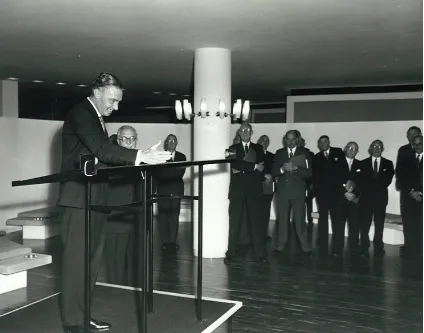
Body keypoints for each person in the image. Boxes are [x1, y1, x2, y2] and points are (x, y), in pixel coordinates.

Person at [57, 72, 171, 333]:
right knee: (77, 264)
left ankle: (82, 316)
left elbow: (100, 157)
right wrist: (139, 154)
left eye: (118, 102)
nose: (115, 106)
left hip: (95, 198)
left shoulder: (95, 116)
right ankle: (73, 322)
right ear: (97, 91)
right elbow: (102, 149)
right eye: (112, 100)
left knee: (91, 265)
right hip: (77, 200)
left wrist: (140, 156)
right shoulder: (81, 112)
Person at [225, 123, 267, 263]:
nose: (245, 132)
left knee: (256, 222)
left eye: (247, 130)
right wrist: (253, 166)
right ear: (239, 132)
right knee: (235, 222)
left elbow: (262, 168)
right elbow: (233, 165)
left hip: (254, 189)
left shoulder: (258, 148)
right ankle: (230, 254)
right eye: (243, 130)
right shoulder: (231, 149)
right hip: (237, 190)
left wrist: (243, 168)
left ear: (252, 132)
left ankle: (260, 254)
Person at [272, 130, 313, 257]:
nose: (290, 142)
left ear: (297, 140)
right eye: (288, 139)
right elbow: (273, 172)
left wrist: (297, 168)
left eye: (293, 139)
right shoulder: (279, 153)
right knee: (282, 221)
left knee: (300, 221)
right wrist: (281, 169)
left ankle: (306, 248)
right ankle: (280, 246)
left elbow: (309, 173)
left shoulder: (304, 153)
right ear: (285, 140)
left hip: (298, 193)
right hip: (282, 193)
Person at [359, 140, 394, 258]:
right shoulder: (362, 163)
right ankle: (364, 246)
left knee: (379, 223)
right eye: (374, 146)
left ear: (383, 149)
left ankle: (379, 247)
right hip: (366, 198)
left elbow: (387, 181)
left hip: (380, 198)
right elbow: (361, 182)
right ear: (370, 149)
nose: (377, 148)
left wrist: (371, 186)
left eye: (379, 146)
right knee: (365, 223)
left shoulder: (389, 164)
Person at [155, 134, 186, 254]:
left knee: (174, 217)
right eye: (169, 141)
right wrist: (169, 174)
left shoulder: (182, 157)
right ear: (166, 143)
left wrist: (166, 173)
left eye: (174, 140)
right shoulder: (160, 156)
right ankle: (164, 242)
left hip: (176, 190)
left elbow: (180, 173)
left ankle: (172, 242)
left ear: (177, 143)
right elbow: (158, 174)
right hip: (162, 191)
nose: (171, 142)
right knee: (163, 217)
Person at [312, 135, 344, 251]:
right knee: (323, 218)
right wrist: (316, 193)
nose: (323, 144)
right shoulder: (316, 157)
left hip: (336, 193)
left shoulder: (338, 152)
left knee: (336, 217)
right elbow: (315, 176)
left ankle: (338, 240)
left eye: (325, 141)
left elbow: (342, 171)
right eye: (321, 142)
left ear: (329, 142)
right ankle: (323, 238)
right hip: (322, 194)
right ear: (319, 145)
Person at [331, 142, 361, 258]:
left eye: (354, 149)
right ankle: (337, 250)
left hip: (354, 201)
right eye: (350, 148)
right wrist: (344, 193)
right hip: (339, 200)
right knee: (338, 226)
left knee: (354, 226)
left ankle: (353, 249)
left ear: (357, 152)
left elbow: (362, 182)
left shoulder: (360, 164)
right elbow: (333, 181)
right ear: (345, 149)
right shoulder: (335, 163)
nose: (351, 151)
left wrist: (353, 194)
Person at [395, 126, 422, 255]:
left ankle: (421, 247)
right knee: (408, 219)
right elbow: (400, 173)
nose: (412, 136)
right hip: (407, 193)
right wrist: (411, 191)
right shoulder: (404, 151)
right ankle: (409, 246)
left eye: (415, 134)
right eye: (410, 134)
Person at [257, 135, 275, 242]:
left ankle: (264, 234)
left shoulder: (272, 156)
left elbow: (275, 169)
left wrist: (271, 176)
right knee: (256, 211)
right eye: (263, 140)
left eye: (267, 140)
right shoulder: (254, 154)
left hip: (269, 186)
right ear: (259, 142)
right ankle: (256, 235)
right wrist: (264, 176)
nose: (265, 142)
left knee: (266, 210)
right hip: (257, 185)